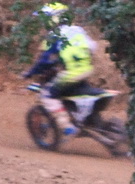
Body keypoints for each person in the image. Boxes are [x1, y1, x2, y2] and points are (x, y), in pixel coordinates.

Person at [22, 2, 97, 137]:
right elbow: (92, 47)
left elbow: (44, 61)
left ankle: (67, 126)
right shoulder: (77, 30)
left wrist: (30, 72)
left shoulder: (53, 36)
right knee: (69, 90)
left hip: (71, 74)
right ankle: (81, 116)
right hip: (86, 69)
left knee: (48, 95)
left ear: (54, 18)